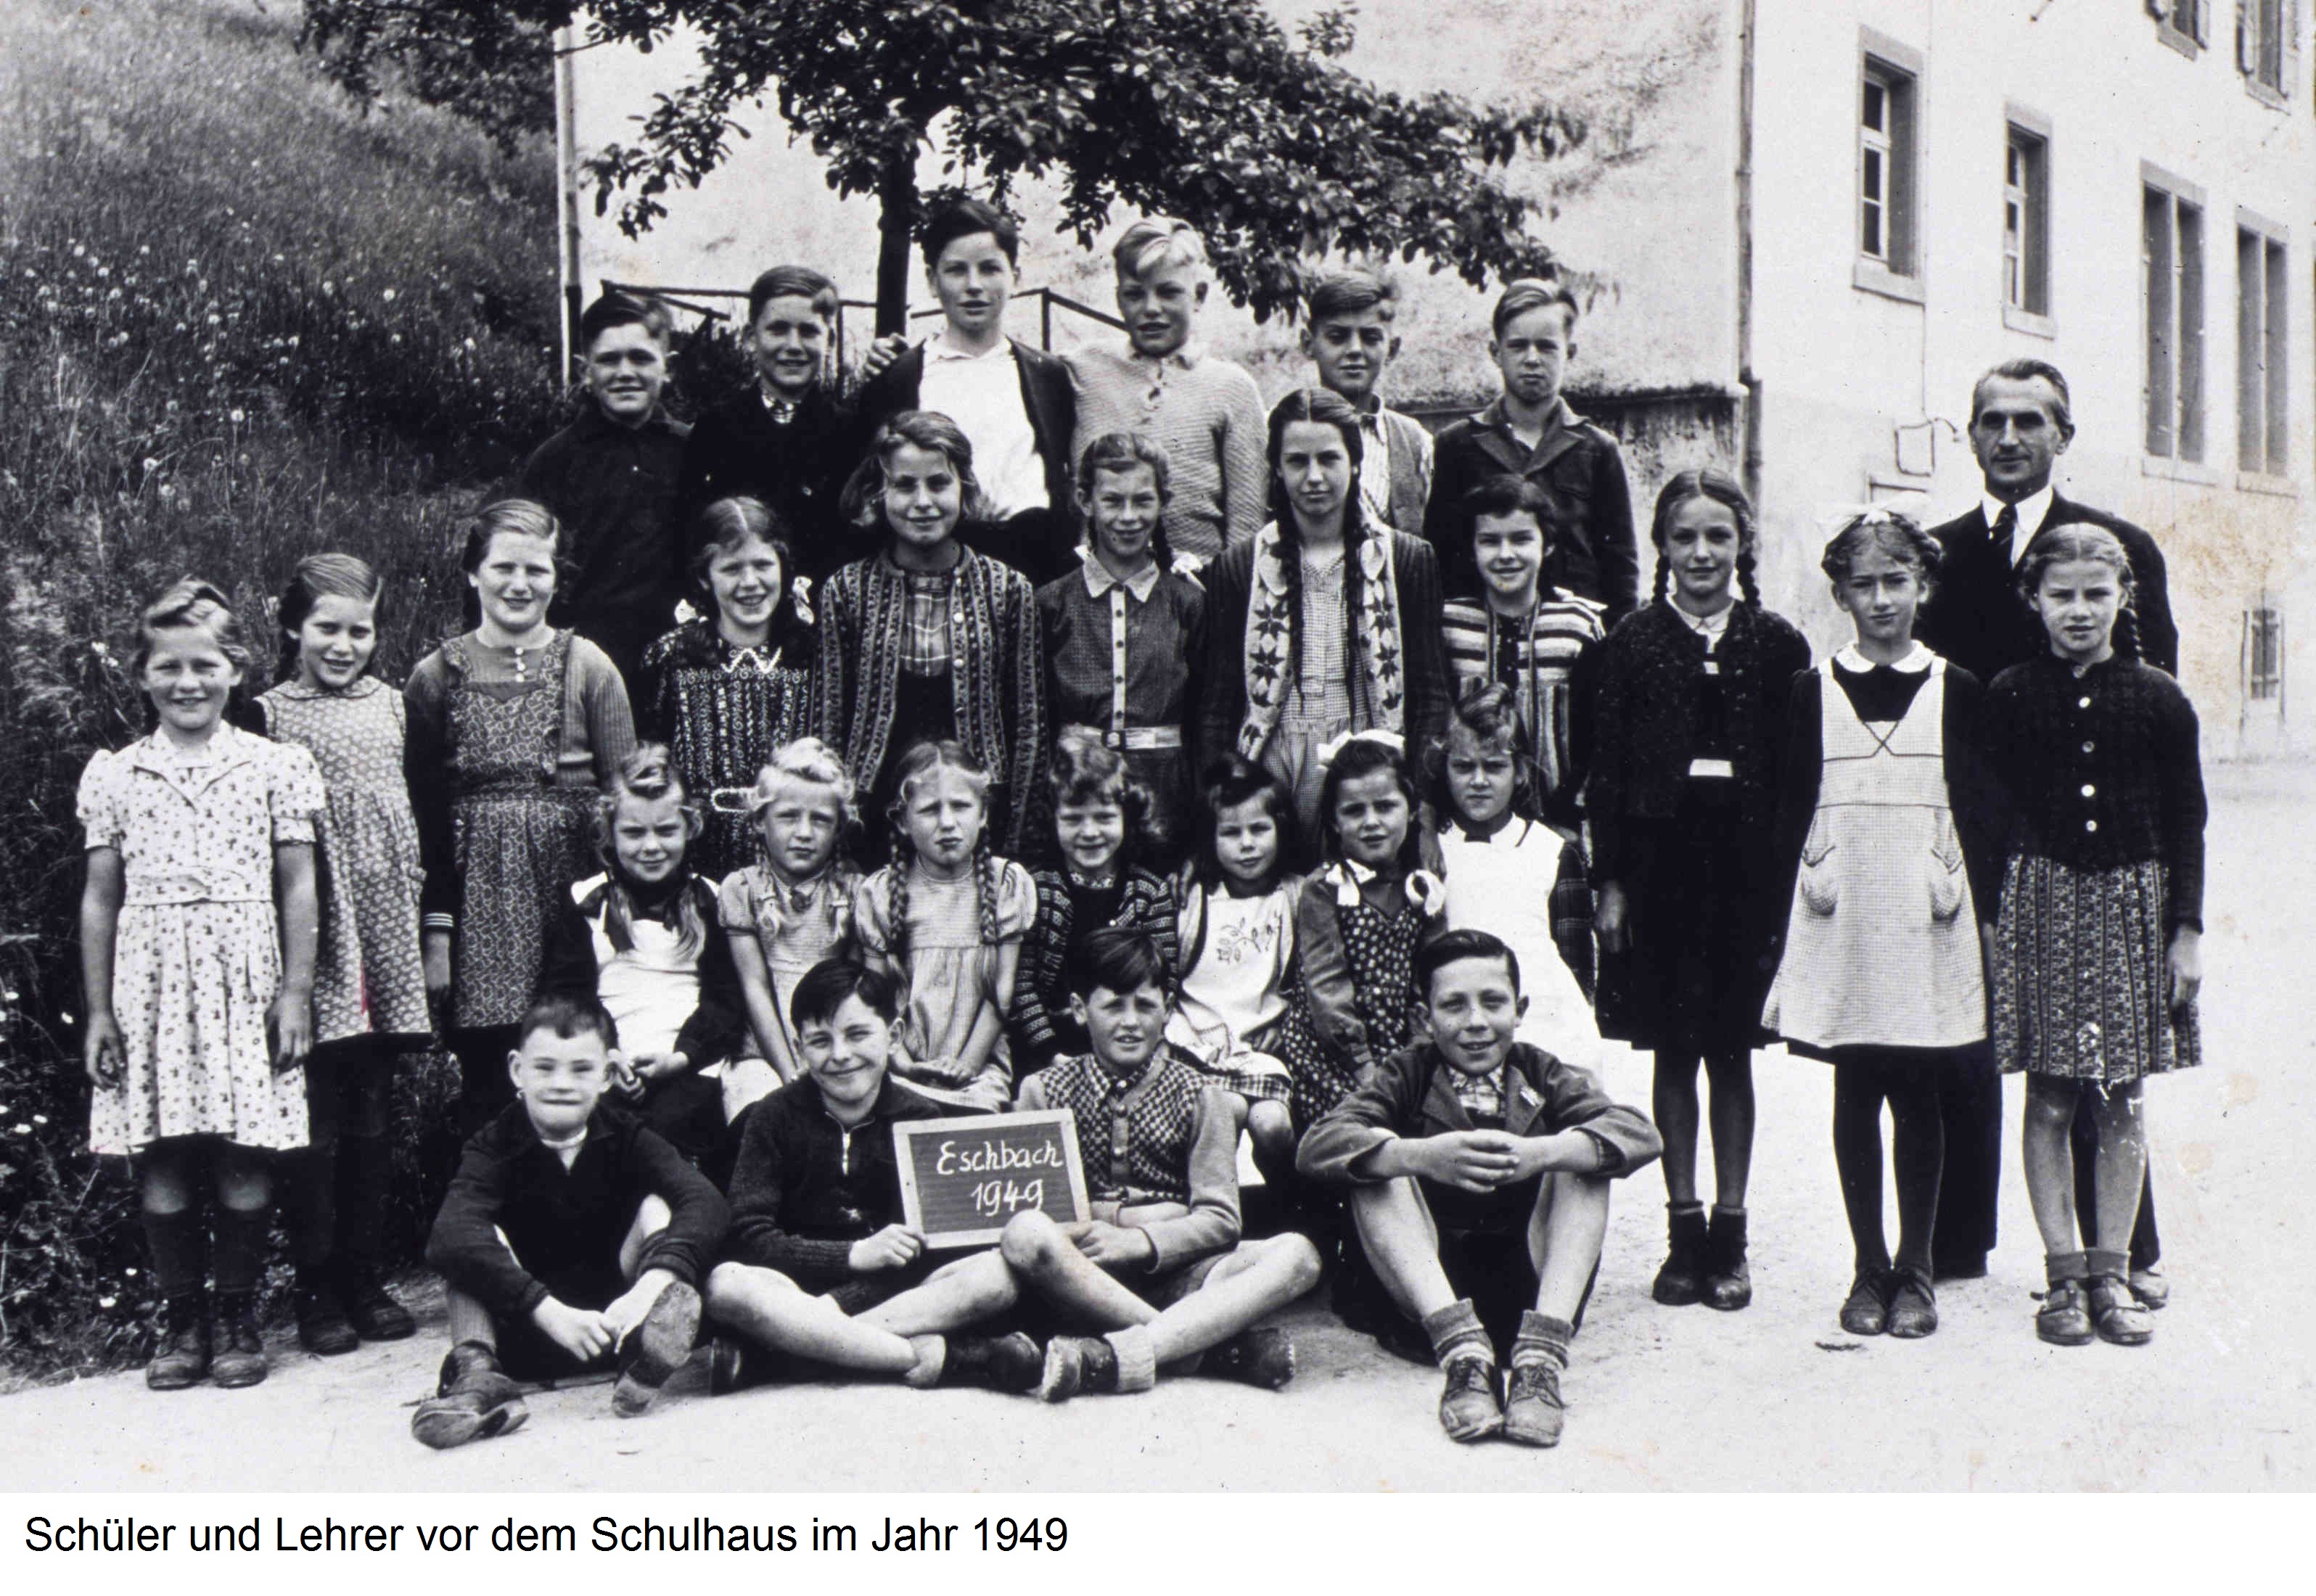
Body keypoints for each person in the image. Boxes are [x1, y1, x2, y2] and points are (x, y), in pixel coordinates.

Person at [1913, 357, 2180, 1297]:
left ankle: (2122, 1251)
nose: (2010, 438)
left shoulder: (2115, 548)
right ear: (1971, 435)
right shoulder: (1942, 553)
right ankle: (1957, 1242)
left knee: (2097, 1046)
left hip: (2091, 840)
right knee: (1971, 1031)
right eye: (1993, 421)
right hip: (1970, 821)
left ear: (2063, 435)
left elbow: (2154, 706)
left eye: (2031, 421)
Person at [79, 580, 324, 1391]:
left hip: (244, 979)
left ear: (236, 670)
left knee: (242, 1144)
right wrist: (100, 1010)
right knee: (161, 1147)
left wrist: (295, 990)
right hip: (149, 984)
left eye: (205, 666)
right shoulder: (118, 775)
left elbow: (298, 884)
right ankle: (183, 1321)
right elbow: (100, 898)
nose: (188, 683)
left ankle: (238, 1315)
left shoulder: (273, 766)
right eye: (169, 667)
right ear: (142, 676)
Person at [1760, 512, 1997, 1340]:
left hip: (1927, 912)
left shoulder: (1955, 687)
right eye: (1864, 584)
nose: (1882, 598)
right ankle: (1868, 1265)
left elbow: (1981, 813)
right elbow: (1790, 808)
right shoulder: (1814, 689)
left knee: (1921, 1089)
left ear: (1923, 586)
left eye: (1897, 580)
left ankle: (1917, 1267)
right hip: (1845, 910)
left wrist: (1982, 918)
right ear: (1840, 595)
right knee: (1855, 1085)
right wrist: (1786, 925)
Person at [1297, 931, 1662, 1446]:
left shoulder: (1540, 1070)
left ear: (1520, 1010)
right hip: (1427, 1303)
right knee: (1376, 1160)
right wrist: (1421, 1155)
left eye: (1493, 1002)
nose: (1475, 1022)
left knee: (1586, 1156)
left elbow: (1640, 1133)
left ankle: (1539, 1365)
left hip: (1528, 1298)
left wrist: (1543, 1153)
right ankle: (1464, 1361)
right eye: (1454, 1006)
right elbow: (1318, 1145)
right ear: (1425, 1019)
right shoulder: (1407, 1073)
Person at [1588, 469, 1810, 1313]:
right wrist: (1612, 881)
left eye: (1719, 535)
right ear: (1662, 546)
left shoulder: (1778, 644)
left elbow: (1796, 779)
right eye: (1685, 536)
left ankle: (1731, 1232)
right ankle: (1683, 1232)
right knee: (1673, 1049)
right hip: (1660, 870)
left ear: (1743, 543)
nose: (1702, 552)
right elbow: (1607, 774)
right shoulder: (1631, 642)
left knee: (1731, 1051)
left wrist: (1790, 890)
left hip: (1746, 874)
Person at [1982, 525, 2204, 1349]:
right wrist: (1995, 925)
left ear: (2123, 597)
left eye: (2095, 594)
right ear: (2034, 600)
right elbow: (1990, 816)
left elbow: (2188, 821)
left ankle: (2113, 1272)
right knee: (2049, 1096)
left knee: (2120, 1095)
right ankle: (2063, 1275)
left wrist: (2187, 930)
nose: (2079, 610)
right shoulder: (2009, 693)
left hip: (2132, 906)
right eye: (2062, 595)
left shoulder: (2159, 697)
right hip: (2041, 901)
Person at [1001, 929, 1323, 1401]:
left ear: (1168, 1009)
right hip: (1077, 1277)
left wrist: (1138, 1238)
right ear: (1079, 1009)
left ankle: (1120, 1354)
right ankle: (1203, 1349)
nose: (1131, 1022)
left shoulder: (1203, 1095)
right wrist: (1152, 1214)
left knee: (1298, 1255)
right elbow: (1034, 1205)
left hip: (1179, 1280)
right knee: (1026, 1232)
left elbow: (1221, 1220)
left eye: (1145, 1006)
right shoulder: (1042, 1091)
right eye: (1113, 1006)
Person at [701, 959, 1041, 1395]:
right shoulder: (771, 1116)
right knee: (727, 1284)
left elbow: (923, 1250)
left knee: (996, 1276)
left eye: (858, 1034)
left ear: (894, 1036)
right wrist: (851, 1254)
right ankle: (938, 1359)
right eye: (820, 1041)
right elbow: (750, 1235)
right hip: (792, 1288)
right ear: (799, 1047)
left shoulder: (920, 1118)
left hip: (889, 1298)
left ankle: (780, 1355)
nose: (840, 1055)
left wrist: (831, 1309)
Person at [406, 500, 637, 1130]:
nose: (519, 584)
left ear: (557, 578)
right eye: (503, 567)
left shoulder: (589, 665)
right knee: (491, 1069)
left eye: (536, 570)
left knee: (574, 1044)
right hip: (476, 898)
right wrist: (436, 929)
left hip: (569, 892)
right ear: (472, 573)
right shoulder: (434, 676)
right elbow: (423, 815)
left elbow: (625, 798)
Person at [413, 995, 727, 1447]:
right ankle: (477, 1378)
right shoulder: (493, 1144)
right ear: (517, 1070)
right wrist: (544, 1309)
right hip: (528, 1337)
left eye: (581, 1069)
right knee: (470, 1242)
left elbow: (707, 1202)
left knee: (659, 1205)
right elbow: (448, 1238)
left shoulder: (628, 1134)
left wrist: (653, 1283)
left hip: (618, 1326)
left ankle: (647, 1348)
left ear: (607, 1074)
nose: (561, 1084)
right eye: (545, 1068)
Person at [256, 555, 430, 1354]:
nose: (342, 645)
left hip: (384, 935)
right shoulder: (264, 716)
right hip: (312, 941)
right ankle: (316, 1286)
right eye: (326, 627)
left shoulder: (396, 708)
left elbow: (426, 813)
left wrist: (432, 929)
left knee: (371, 1114)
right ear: (293, 626)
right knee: (314, 1118)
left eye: (359, 631)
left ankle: (365, 1277)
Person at [1198, 388, 1451, 850]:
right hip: (1272, 767)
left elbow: (1431, 695)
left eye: (1329, 459)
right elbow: (1217, 706)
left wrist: (1424, 805)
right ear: (1277, 467)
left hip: (1370, 766)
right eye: (1297, 461)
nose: (1314, 477)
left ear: (1355, 461)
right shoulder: (1240, 566)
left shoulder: (1405, 559)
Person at [815, 411, 1046, 858]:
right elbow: (828, 725)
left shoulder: (1007, 589)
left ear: (965, 487)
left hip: (977, 813)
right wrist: (837, 841)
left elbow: (1029, 726)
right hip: (873, 814)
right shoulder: (846, 590)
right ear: (879, 493)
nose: (923, 501)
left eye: (938, 484)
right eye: (904, 486)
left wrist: (1018, 842)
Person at [1437, 474, 1607, 992]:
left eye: (1521, 539)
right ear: (1471, 547)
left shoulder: (1577, 625)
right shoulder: (1450, 624)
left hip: (1557, 822)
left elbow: (1597, 737)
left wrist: (1571, 815)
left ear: (1547, 544)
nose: (1506, 554)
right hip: (1471, 826)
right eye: (1490, 540)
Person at [538, 746, 744, 1173]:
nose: (651, 846)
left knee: (671, 1132)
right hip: (607, 1062)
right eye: (634, 833)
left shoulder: (712, 900)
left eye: (666, 831)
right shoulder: (586, 902)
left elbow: (725, 1001)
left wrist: (682, 1057)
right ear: (609, 832)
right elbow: (569, 996)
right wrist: (609, 1055)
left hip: (690, 1066)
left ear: (690, 827)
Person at [855, 199, 1078, 582]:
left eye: (990, 269)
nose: (974, 286)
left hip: (1037, 567)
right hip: (935, 569)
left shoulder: (1048, 375)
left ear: (1015, 277)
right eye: (957, 270)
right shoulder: (901, 377)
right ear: (932, 280)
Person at [1036, 432, 1208, 861]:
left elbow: (1207, 717)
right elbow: (1039, 716)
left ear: (1163, 502)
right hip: (1079, 798)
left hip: (1166, 793)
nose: (1128, 517)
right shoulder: (1052, 603)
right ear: (1085, 500)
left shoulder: (1187, 602)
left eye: (1143, 501)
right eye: (1113, 501)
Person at [1422, 279, 1638, 618]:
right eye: (1518, 346)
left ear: (1570, 353)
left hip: (1574, 634)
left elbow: (1620, 569)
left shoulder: (1597, 450)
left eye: (1546, 347)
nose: (1532, 359)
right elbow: (1438, 558)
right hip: (1478, 633)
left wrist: (1617, 642)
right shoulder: (1457, 445)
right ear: (1496, 352)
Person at [634, 496, 818, 881]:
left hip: (792, 855)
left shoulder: (812, 656)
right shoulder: (671, 657)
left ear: (783, 567)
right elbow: (650, 760)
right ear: (705, 577)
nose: (750, 583)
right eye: (732, 569)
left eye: (763, 565)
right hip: (695, 862)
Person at [517, 289, 692, 690]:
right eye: (609, 360)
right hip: (581, 666)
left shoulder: (695, 452)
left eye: (641, 358)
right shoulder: (555, 461)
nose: (625, 372)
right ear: (585, 372)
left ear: (667, 367)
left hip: (680, 662)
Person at [853, 740, 1039, 1112]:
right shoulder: (882, 893)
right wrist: (902, 1063)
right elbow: (875, 997)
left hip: (978, 1065)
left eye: (961, 806)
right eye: (929, 810)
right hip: (900, 1063)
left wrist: (966, 1064)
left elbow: (1001, 995)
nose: (948, 823)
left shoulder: (1005, 884)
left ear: (983, 813)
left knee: (976, 1118)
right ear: (903, 822)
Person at [1067, 218, 1268, 564]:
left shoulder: (1232, 388)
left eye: (1168, 292)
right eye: (1135, 294)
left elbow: (1246, 528)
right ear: (1118, 299)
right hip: (1098, 583)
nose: (1151, 308)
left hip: (1199, 585)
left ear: (1198, 295)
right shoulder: (1083, 370)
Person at [1432, 682, 1598, 1064]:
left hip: (1543, 1032)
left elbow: (1577, 969)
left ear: (1520, 771)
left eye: (1494, 767)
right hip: (1454, 1035)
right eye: (1463, 767)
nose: (1478, 781)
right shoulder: (1432, 850)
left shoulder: (1552, 852)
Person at [1010, 727, 1182, 1072]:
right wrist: (1052, 1055)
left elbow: (1165, 981)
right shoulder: (1034, 888)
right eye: (1073, 819)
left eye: (1104, 818)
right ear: (1053, 821)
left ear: (1127, 819)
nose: (1089, 832)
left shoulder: (1149, 892)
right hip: (1047, 1047)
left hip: (1128, 1040)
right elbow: (1022, 985)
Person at [1167, 758, 1304, 1190]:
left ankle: (1291, 1205)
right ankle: (1220, 1208)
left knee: (1273, 1125)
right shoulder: (1194, 899)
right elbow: (1167, 976)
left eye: (1259, 829)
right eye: (1231, 833)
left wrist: (1287, 1026)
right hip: (1194, 1045)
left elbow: (1311, 978)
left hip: (1261, 1047)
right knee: (1221, 1116)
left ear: (1280, 828)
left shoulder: (1296, 896)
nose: (1247, 845)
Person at [676, 265, 858, 581]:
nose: (793, 345)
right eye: (778, 329)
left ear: (829, 341)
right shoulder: (715, 429)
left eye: (809, 331)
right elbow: (691, 534)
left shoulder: (850, 432)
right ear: (751, 338)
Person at [720, 740, 859, 1095]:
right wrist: (790, 1073)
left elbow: (856, 987)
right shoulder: (742, 889)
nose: (804, 833)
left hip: (835, 1044)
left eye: (821, 820)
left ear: (839, 829)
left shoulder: (855, 891)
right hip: (763, 1051)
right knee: (757, 1101)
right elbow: (755, 987)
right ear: (760, 821)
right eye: (788, 816)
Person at [1301, 268, 1433, 535]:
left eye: (1370, 338)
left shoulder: (1414, 442)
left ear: (1392, 348)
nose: (1354, 350)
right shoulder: (1275, 430)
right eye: (1337, 337)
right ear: (1308, 344)